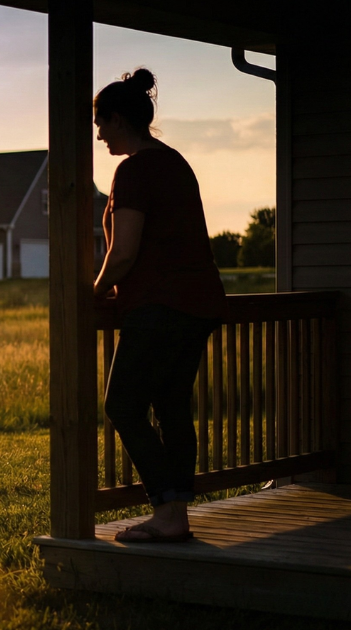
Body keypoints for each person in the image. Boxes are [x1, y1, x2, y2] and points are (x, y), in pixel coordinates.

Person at [93, 68, 227, 543]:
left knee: (123, 405)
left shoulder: (134, 170)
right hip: (200, 302)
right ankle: (177, 516)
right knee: (170, 404)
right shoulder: (174, 161)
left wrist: (95, 291)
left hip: (160, 305)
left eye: (101, 123)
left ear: (119, 119)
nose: (99, 133)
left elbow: (124, 250)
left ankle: (166, 510)